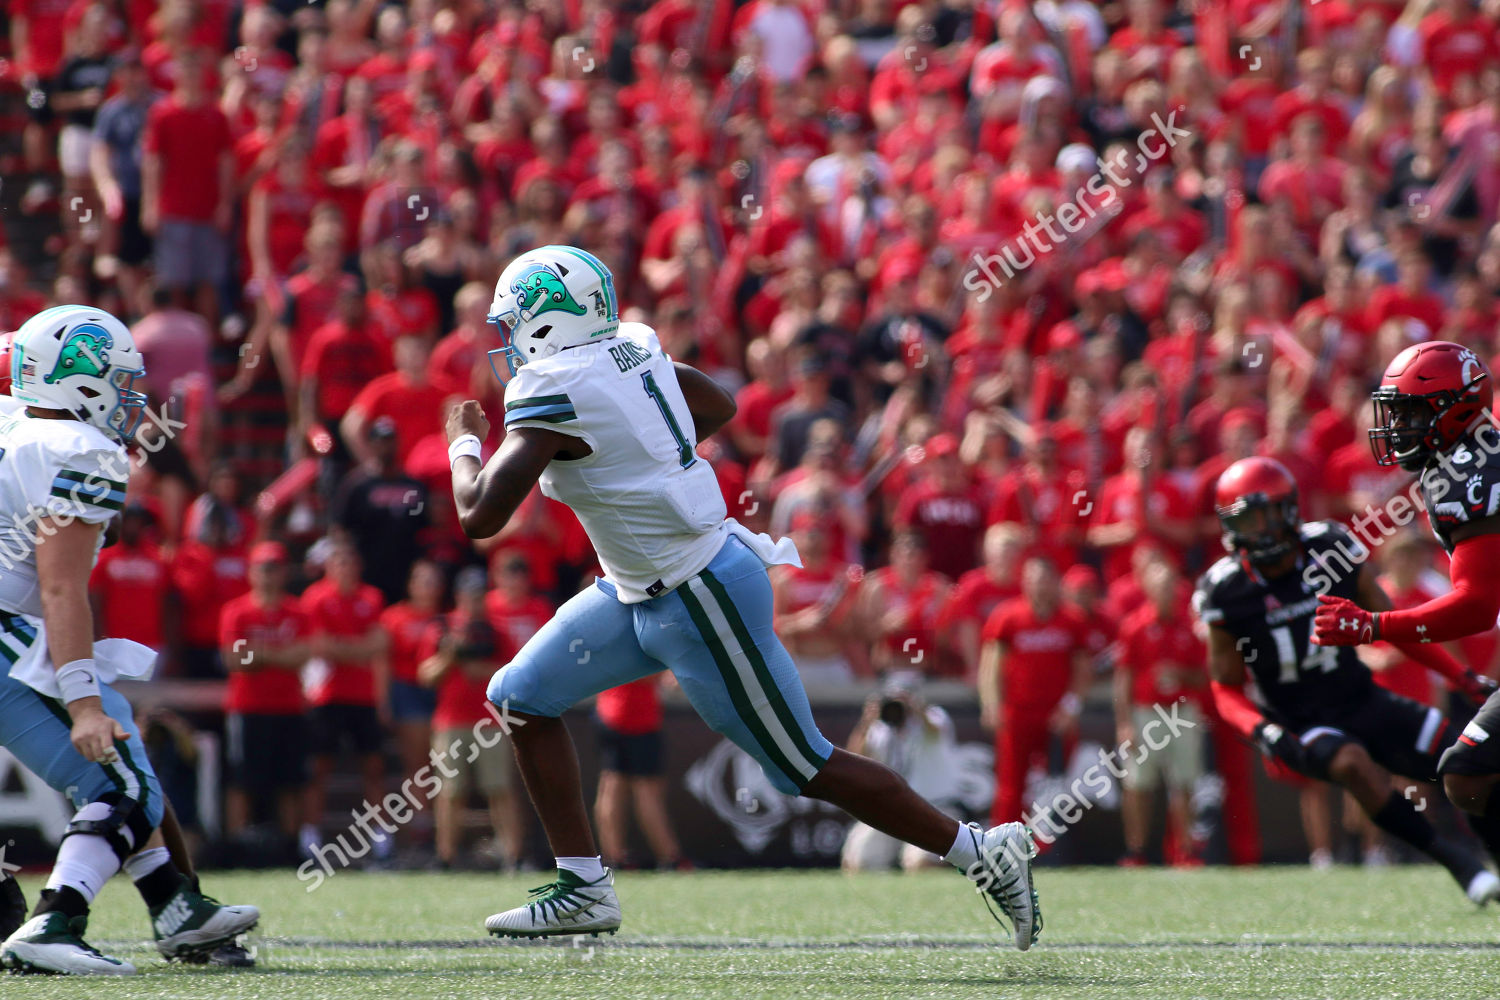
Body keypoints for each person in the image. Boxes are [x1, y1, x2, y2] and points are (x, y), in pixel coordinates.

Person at [448, 246, 1039, 948]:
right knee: (520, 696)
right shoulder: (629, 349)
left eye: (516, 321)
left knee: (803, 765)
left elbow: (480, 516)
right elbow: (716, 403)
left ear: (549, 319)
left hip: (700, 595)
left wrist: (463, 444)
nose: (509, 339)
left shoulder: (554, 392)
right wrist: (643, 454)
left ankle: (982, 850)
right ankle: (585, 888)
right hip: (638, 588)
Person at [0, 307, 258, 974]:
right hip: (10, 630)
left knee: (126, 759)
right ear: (80, 383)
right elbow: (62, 591)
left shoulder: (17, 421)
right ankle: (55, 921)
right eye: (117, 380)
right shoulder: (78, 450)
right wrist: (82, 700)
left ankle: (174, 903)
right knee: (124, 784)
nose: (129, 396)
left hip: (13, 623)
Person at [1199, 455, 1500, 906]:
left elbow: (1389, 623)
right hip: (1300, 720)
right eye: (1246, 520)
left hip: (1360, 696)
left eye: (1264, 515)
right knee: (1351, 761)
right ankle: (1458, 861)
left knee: (1464, 764)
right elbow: (1224, 687)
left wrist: (1458, 675)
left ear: (1288, 510)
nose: (1257, 530)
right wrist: (1262, 730)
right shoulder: (1226, 589)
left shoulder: (1329, 548)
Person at [1313, 342, 1500, 846]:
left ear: (1456, 408)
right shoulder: (1468, 459)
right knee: (1467, 773)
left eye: (1412, 411)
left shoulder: (1477, 475)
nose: (1397, 426)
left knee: (1467, 771)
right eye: (1395, 412)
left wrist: (1373, 625)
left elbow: (1477, 606)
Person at [418, 567, 522, 870]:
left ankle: (513, 855)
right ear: (459, 596)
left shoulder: (496, 631)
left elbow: (512, 672)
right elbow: (425, 675)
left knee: (499, 789)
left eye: (479, 596)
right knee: (451, 792)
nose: (474, 603)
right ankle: (446, 856)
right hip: (451, 721)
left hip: (490, 722)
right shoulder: (442, 629)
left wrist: (480, 669)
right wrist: (450, 656)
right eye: (469, 595)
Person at [218, 541, 309, 844]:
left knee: (290, 782)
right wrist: (279, 655)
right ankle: (237, 844)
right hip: (248, 707)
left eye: (274, 568)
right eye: (262, 568)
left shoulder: (297, 611)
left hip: (288, 707)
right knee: (243, 780)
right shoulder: (237, 612)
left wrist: (260, 654)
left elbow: (304, 654)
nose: (268, 575)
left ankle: (291, 846)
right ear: (252, 572)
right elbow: (234, 659)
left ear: (284, 573)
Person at [842, 672, 959, 872]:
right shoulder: (880, 727)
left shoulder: (933, 716)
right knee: (858, 861)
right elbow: (853, 757)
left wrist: (915, 708)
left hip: (933, 807)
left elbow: (935, 730)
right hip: (890, 811)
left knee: (920, 862)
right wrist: (866, 722)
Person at [593, 675, 686, 871]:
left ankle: (614, 858)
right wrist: (670, 672)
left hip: (611, 712)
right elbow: (640, 671)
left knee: (612, 785)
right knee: (645, 789)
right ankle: (669, 858)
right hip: (634, 717)